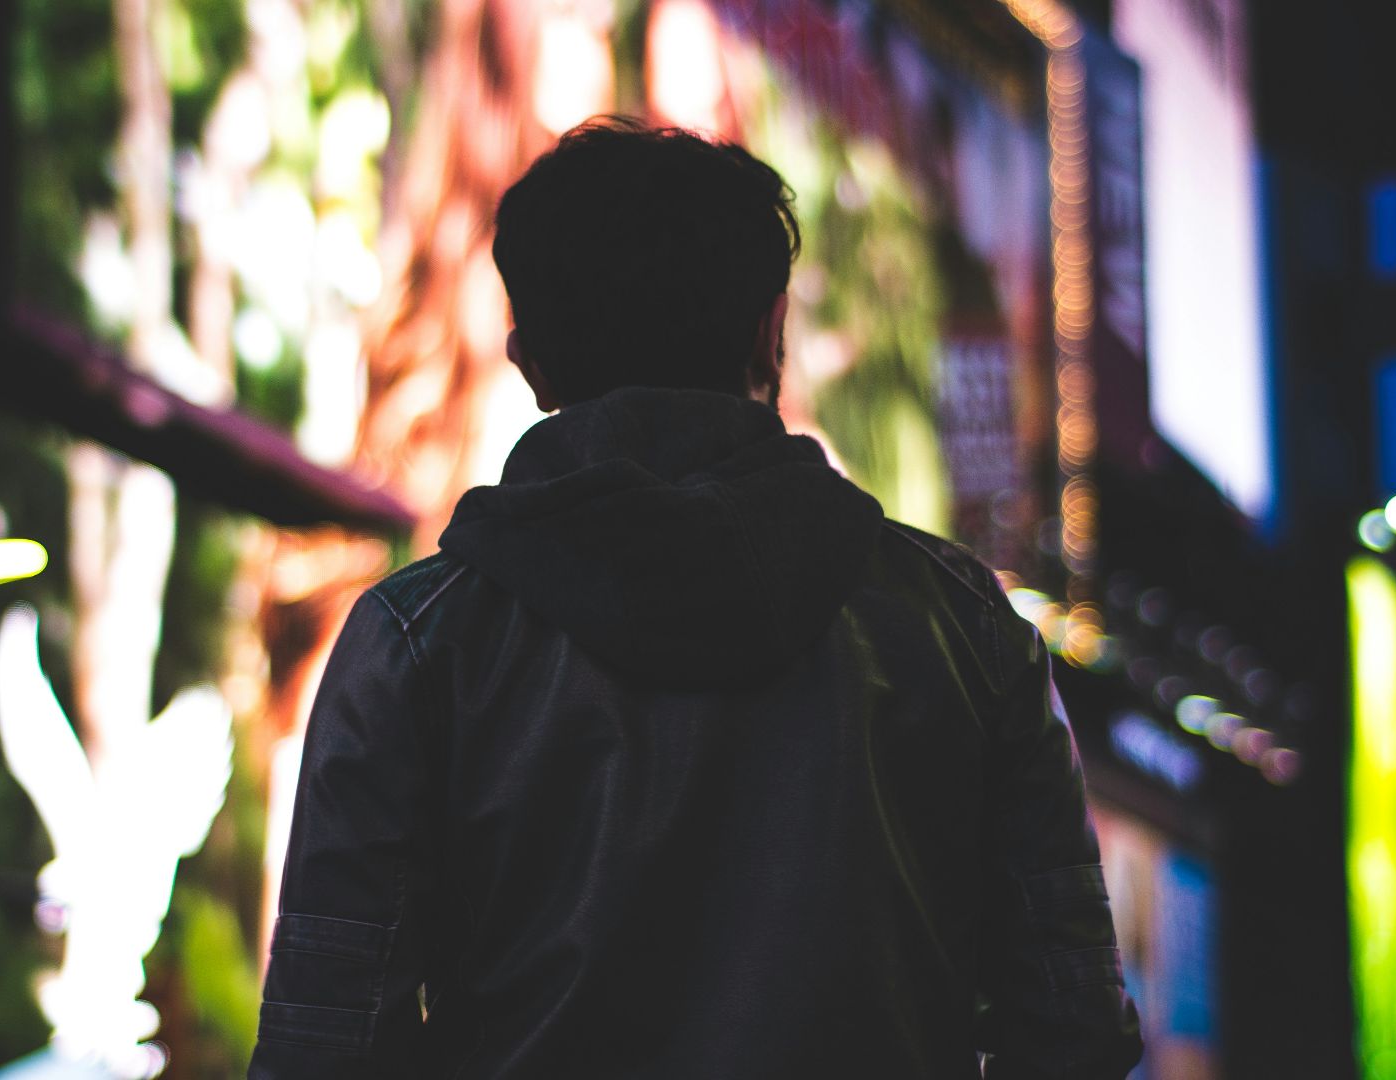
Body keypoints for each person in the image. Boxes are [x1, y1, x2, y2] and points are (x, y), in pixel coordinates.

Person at [249, 118, 1142, 1079]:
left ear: (530, 358)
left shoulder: (418, 647)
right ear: (771, 334)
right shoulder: (964, 631)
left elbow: (323, 1049)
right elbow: (1074, 1031)